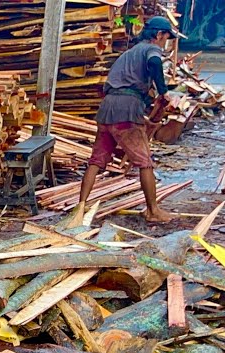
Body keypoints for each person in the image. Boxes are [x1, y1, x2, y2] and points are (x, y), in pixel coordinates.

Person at [71, 16, 181, 225]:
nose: (165, 42)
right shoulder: (151, 50)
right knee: (145, 162)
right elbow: (155, 62)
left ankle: (80, 206)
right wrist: (163, 92)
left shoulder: (128, 54)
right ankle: (153, 210)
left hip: (107, 109)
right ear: (158, 35)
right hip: (126, 111)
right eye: (165, 38)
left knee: (96, 161)